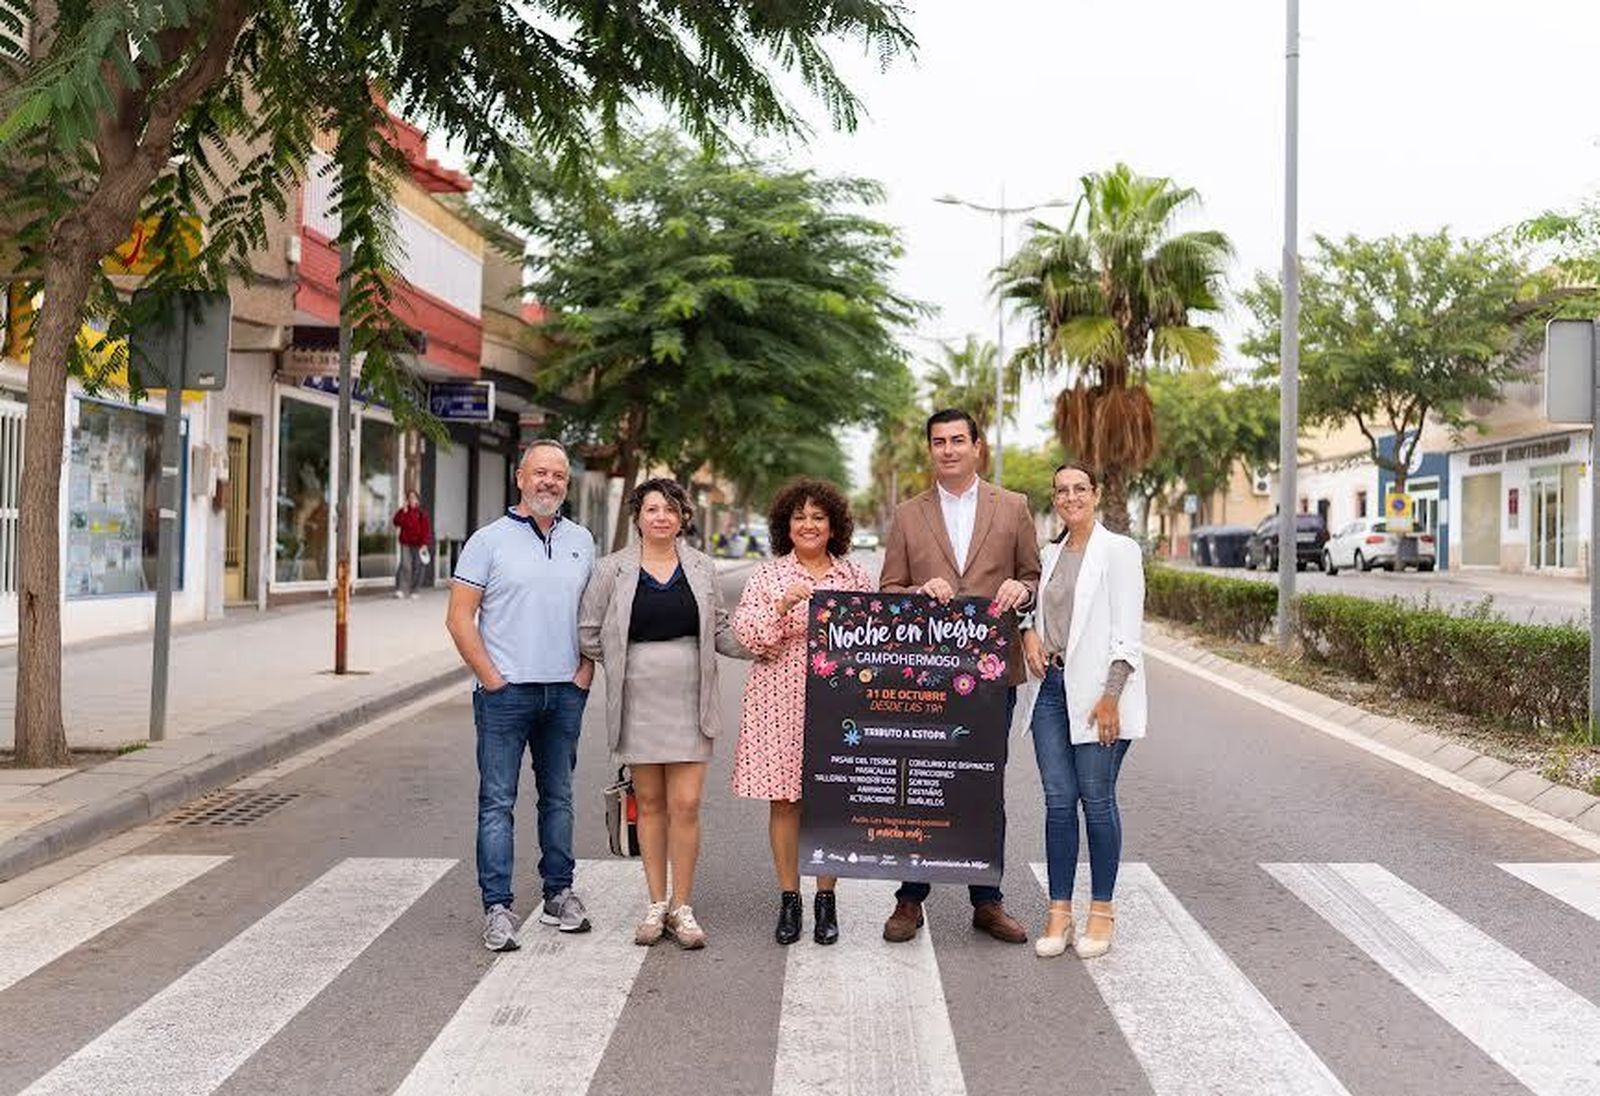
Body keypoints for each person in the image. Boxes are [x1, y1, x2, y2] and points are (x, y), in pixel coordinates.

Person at [877, 408, 1041, 945]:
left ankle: (987, 900)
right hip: (925, 676)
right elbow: (888, 590)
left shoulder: (1012, 506)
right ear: (930, 449)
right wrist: (917, 592)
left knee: (983, 782)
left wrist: (1022, 590)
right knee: (919, 783)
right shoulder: (908, 514)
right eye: (938, 442)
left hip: (992, 673)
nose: (948, 450)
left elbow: (1032, 575)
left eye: (957, 440)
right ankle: (910, 897)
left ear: (977, 446)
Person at [579, 478, 748, 950]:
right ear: (637, 516)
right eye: (652, 508)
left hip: (692, 699)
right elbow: (589, 632)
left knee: (687, 803)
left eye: (671, 509)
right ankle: (656, 903)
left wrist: (762, 645)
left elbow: (720, 631)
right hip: (637, 700)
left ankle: (683, 906)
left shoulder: (702, 567)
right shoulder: (610, 569)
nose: (661, 517)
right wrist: (625, 665)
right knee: (650, 803)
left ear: (682, 518)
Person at [445, 440, 596, 952]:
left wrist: (585, 671)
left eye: (558, 475)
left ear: (567, 484)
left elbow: (591, 616)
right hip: (504, 694)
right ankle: (497, 907)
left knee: (559, 797)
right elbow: (459, 618)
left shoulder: (582, 541)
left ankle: (559, 894)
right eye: (540, 473)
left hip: (565, 692)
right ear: (520, 477)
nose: (549, 482)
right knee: (497, 802)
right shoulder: (487, 541)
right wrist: (492, 679)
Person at [732, 478, 874, 946]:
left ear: (833, 525)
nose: (808, 525)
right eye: (799, 517)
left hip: (839, 702)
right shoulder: (768, 575)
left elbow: (875, 638)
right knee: (785, 800)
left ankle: (825, 899)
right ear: (785, 525)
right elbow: (748, 636)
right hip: (779, 698)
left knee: (830, 798)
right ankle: (789, 897)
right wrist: (782, 606)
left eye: (817, 517)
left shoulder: (853, 577)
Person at [1020, 461, 1147, 960]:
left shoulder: (1119, 551)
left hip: (1098, 695)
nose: (1070, 497)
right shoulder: (1049, 554)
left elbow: (1127, 634)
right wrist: (1027, 634)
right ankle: (1059, 914)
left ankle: (1101, 911)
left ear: (1095, 494)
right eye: (1061, 491)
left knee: (1096, 799)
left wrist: (1112, 696)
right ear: (1054, 499)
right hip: (1050, 690)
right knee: (1058, 802)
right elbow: (1033, 611)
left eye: (1079, 488)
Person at [392, 489, 433, 598]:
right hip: (405, 542)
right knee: (405, 565)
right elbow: (397, 522)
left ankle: (415, 590)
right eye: (409, 498)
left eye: (413, 498)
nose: (411, 500)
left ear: (417, 500)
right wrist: (403, 512)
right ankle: (400, 589)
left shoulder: (421, 513)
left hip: (419, 544)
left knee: (417, 567)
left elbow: (426, 530)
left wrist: (424, 543)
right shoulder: (403, 511)